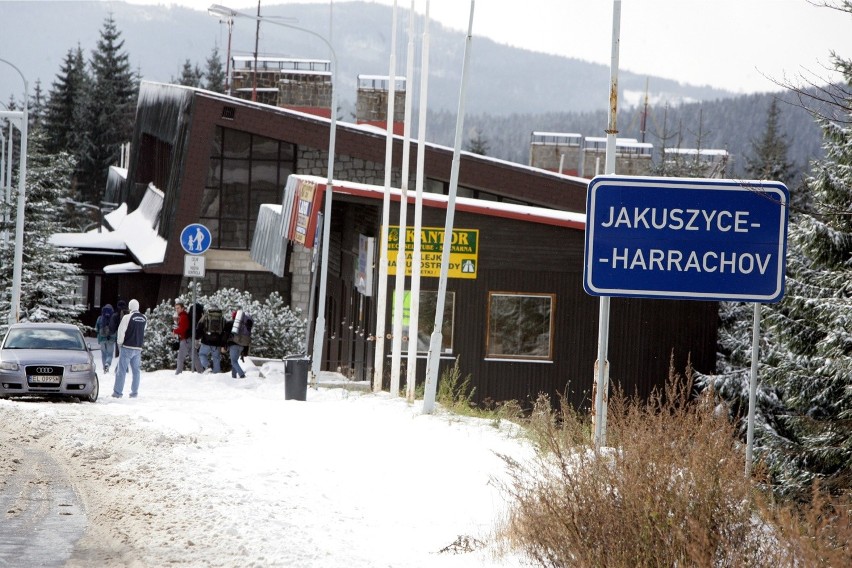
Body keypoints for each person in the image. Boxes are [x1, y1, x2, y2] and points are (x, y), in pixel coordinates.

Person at [112, 299, 147, 398]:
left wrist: (120, 343)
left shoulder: (127, 317)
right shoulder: (144, 318)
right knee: (136, 371)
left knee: (121, 371)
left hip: (127, 347)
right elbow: (143, 330)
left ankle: (117, 393)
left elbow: (121, 331)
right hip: (138, 348)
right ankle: (134, 393)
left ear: (130, 307)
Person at [195, 305, 227, 373]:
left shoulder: (205, 317)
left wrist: (197, 337)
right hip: (217, 343)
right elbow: (225, 332)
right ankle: (216, 374)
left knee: (202, 354)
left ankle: (207, 366)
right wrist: (223, 344)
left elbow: (199, 327)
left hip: (206, 341)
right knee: (216, 358)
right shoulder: (222, 318)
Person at [226, 308, 252, 379]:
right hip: (242, 345)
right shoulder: (243, 325)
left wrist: (224, 345)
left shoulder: (231, 323)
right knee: (235, 361)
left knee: (233, 362)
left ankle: (242, 375)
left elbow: (226, 335)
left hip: (233, 345)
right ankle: (233, 376)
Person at [173, 300, 192, 374]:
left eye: (178, 308)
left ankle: (178, 374)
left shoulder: (183, 316)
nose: (177, 310)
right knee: (194, 357)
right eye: (176, 308)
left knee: (180, 358)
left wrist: (175, 331)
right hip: (188, 339)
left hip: (185, 340)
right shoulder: (182, 316)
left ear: (182, 308)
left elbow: (183, 329)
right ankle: (201, 371)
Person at [96, 304, 116, 373]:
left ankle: (104, 367)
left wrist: (99, 339)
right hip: (111, 339)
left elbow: (97, 329)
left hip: (102, 339)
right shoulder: (113, 318)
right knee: (110, 354)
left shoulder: (100, 318)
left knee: (103, 354)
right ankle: (107, 364)